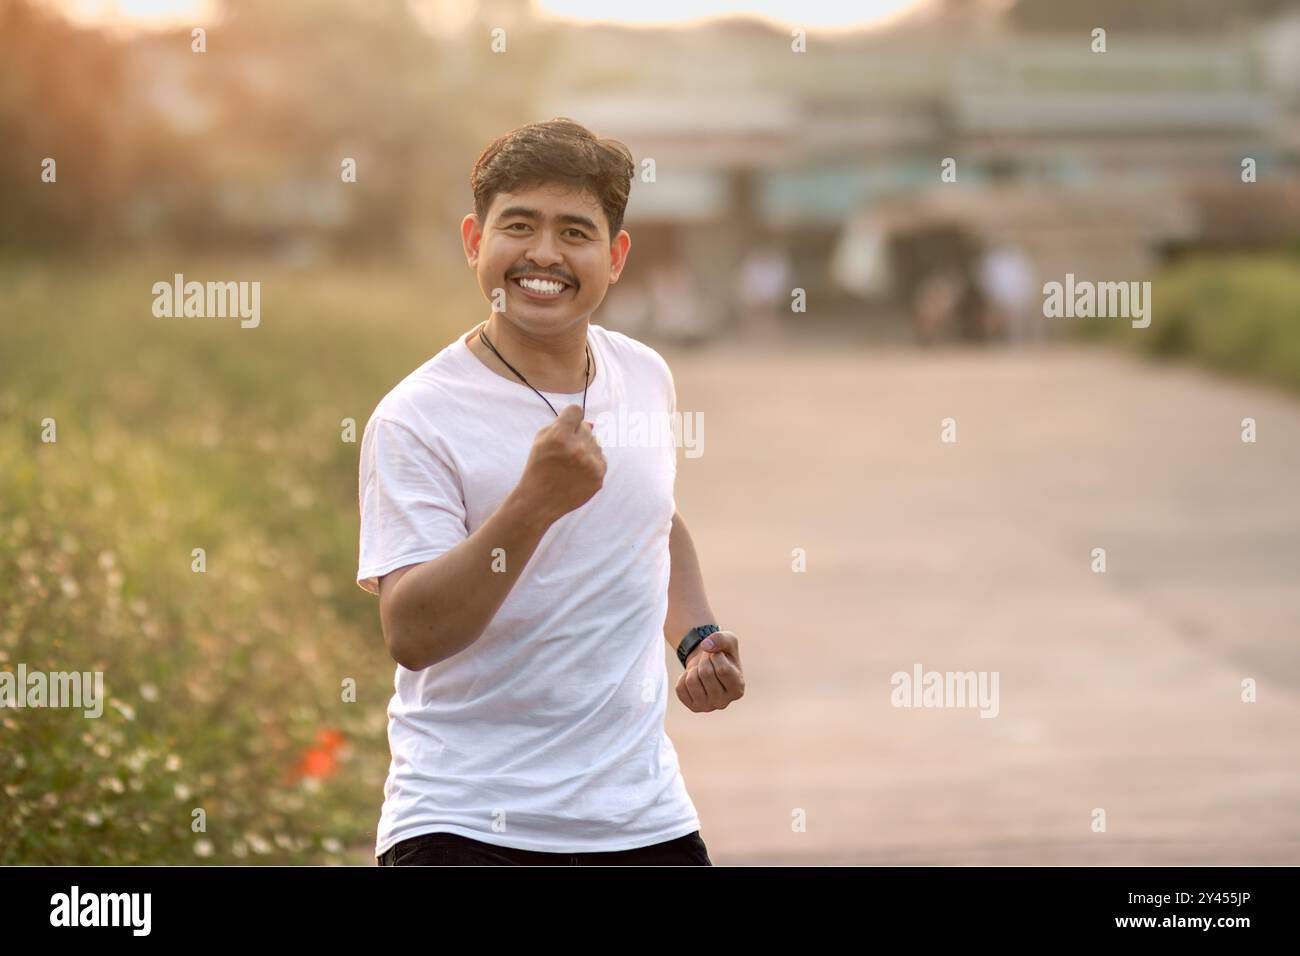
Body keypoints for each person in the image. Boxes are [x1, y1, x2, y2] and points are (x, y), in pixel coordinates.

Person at [356, 118, 745, 866]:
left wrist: (695, 639)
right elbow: (411, 632)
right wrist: (533, 504)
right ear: (474, 240)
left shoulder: (643, 375)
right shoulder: (418, 417)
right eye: (519, 226)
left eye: (575, 231)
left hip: (643, 818)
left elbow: (653, 520)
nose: (544, 254)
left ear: (616, 255)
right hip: (466, 825)